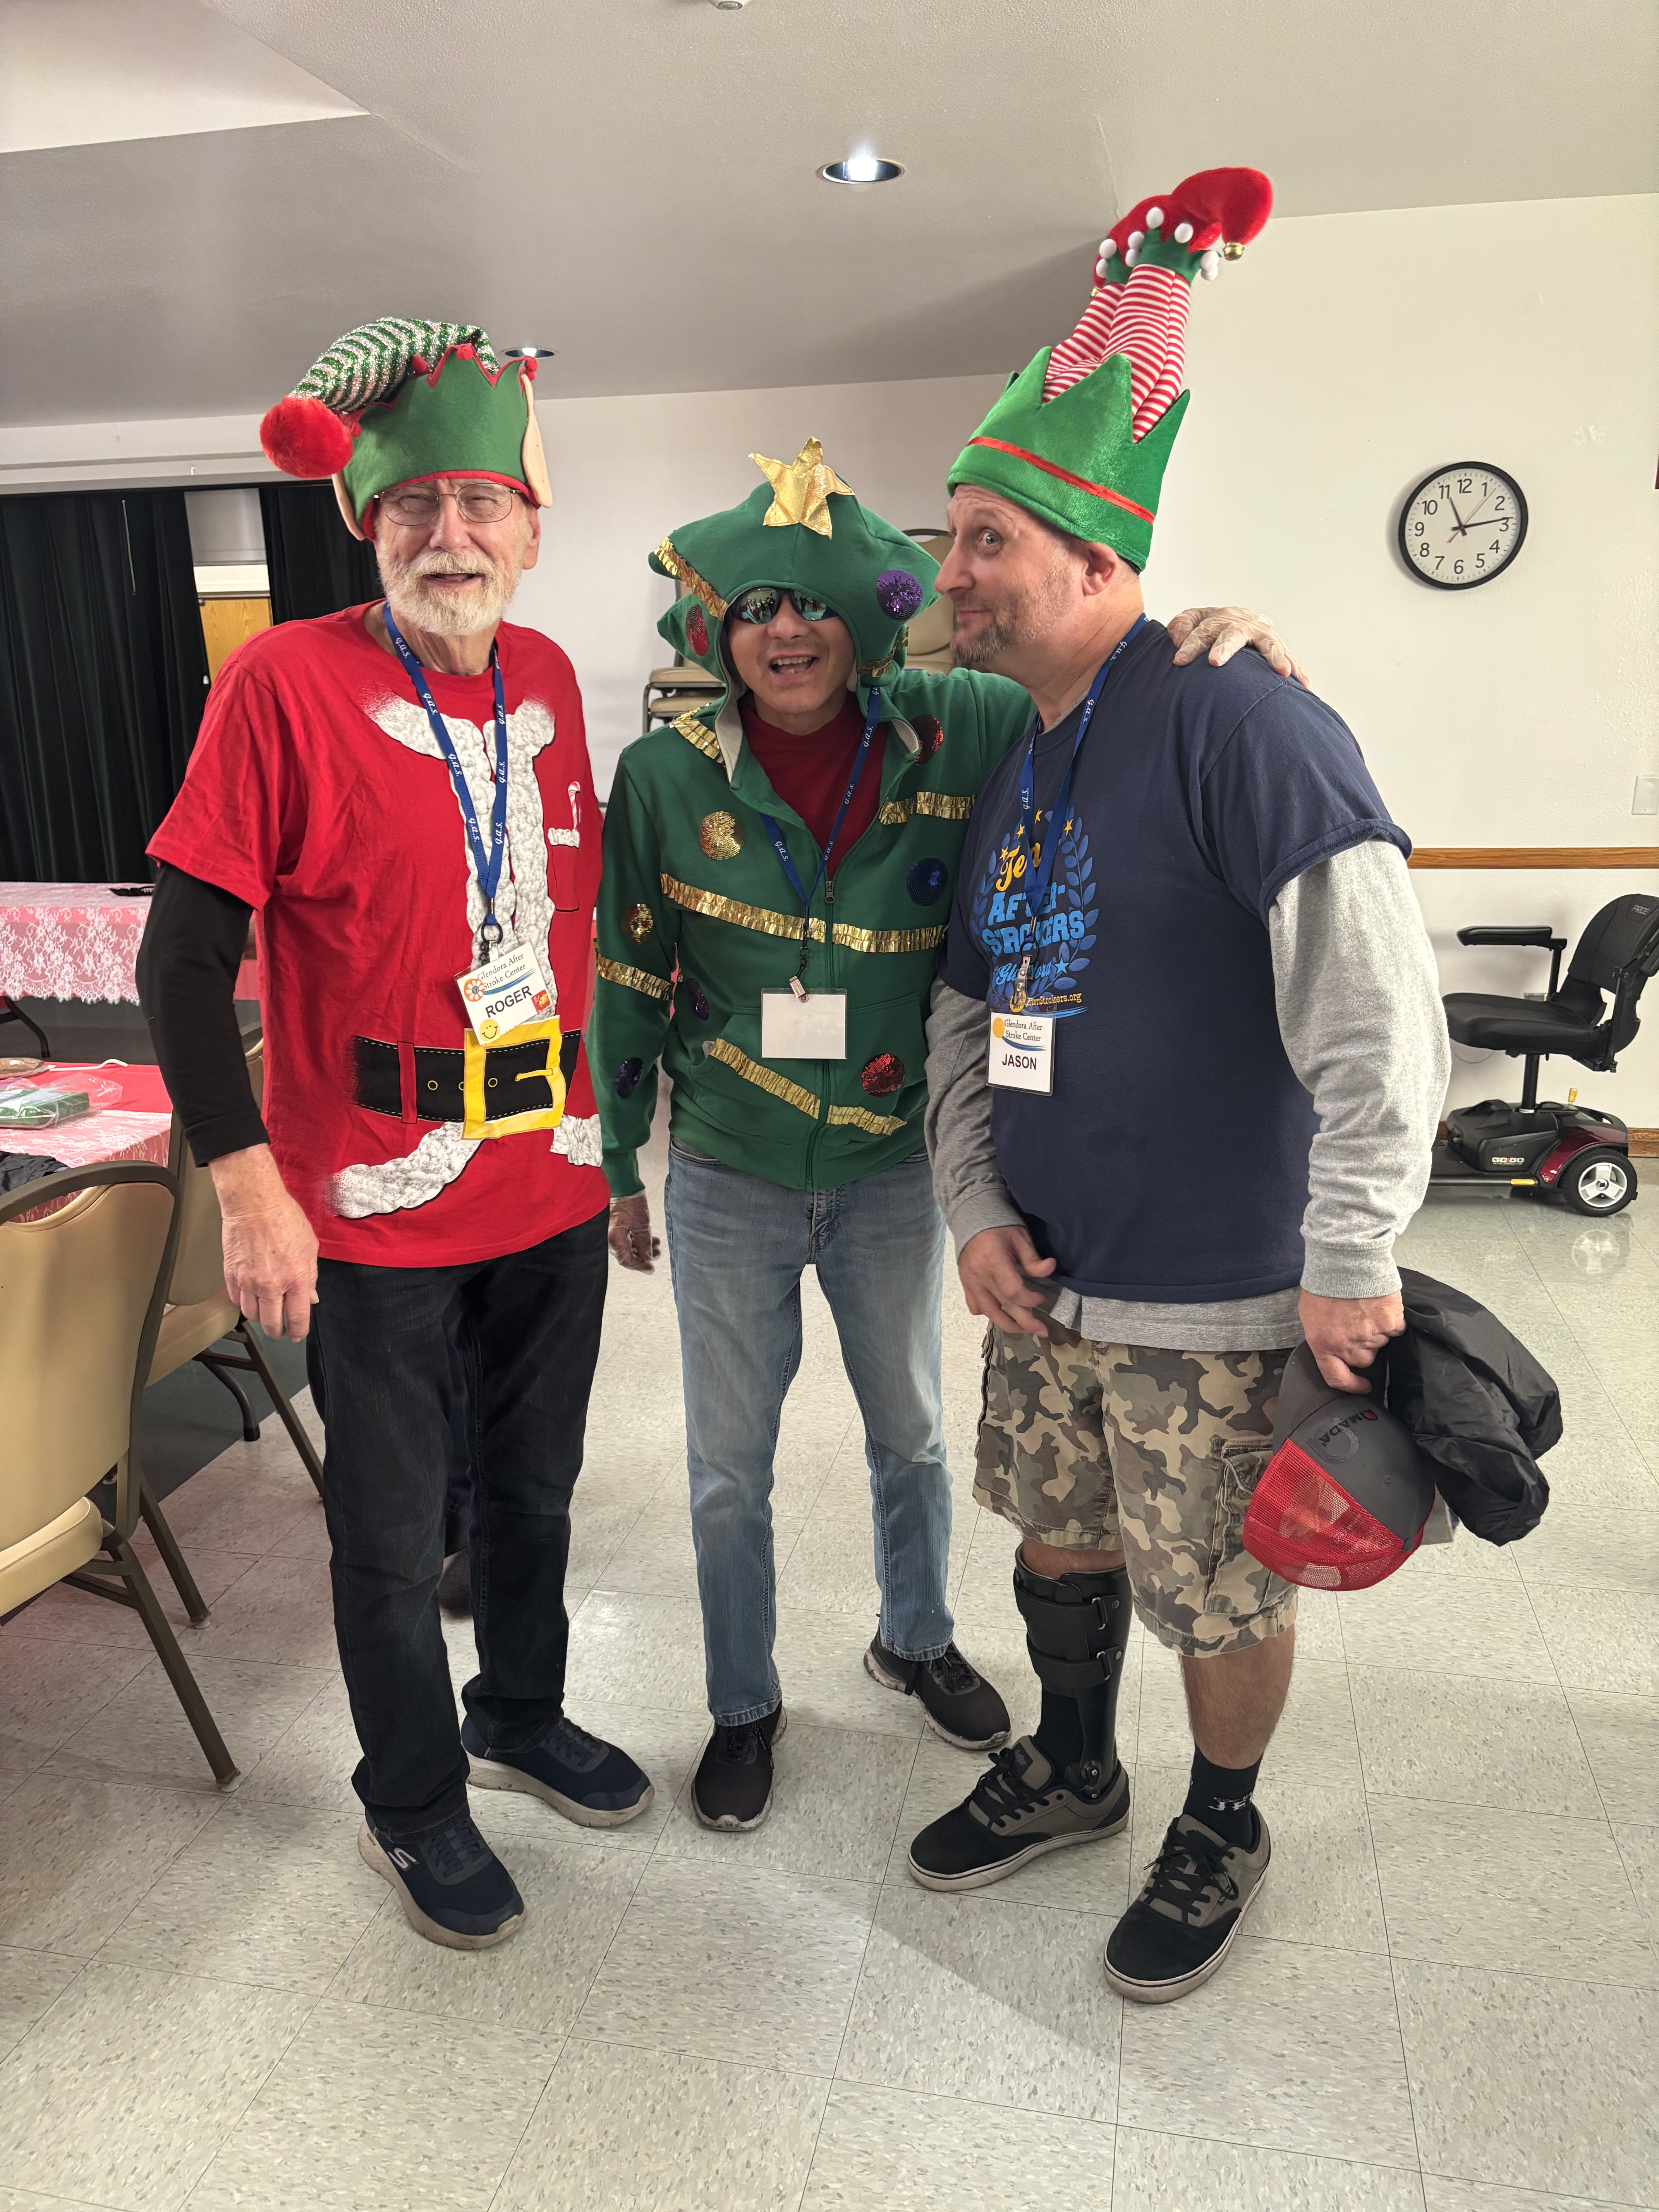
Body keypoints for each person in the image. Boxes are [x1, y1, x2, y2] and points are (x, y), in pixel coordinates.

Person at [906, 169, 1450, 2003]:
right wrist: (975, 1209)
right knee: (1062, 1540)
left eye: (986, 539)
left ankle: (1224, 1811)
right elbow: (969, 1014)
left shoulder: (1240, 715)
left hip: (1225, 1282)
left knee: (1217, 1580)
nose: (952, 571)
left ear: (1099, 559)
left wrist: (1358, 1249)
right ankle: (1073, 1763)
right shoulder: (1019, 754)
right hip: (1052, 1273)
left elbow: (1381, 1004)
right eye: (953, 536)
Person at [594, 430, 1304, 1831]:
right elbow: (623, 977)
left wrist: (1219, 633)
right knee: (728, 1461)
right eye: (753, 609)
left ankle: (912, 1640)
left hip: (891, 1170)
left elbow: (1095, 677)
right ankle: (744, 1702)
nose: (784, 631)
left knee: (910, 1435)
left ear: (861, 618)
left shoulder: (961, 721)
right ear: (718, 631)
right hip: (730, 1167)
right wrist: (622, 1166)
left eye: (808, 604)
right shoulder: (662, 775)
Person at [137, 319, 650, 1952]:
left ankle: (519, 1708)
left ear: (528, 525)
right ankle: (414, 1801)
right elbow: (183, 955)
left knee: (537, 1490)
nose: (451, 534)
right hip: (366, 1204)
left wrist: (614, 1149)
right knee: (384, 1528)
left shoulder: (556, 677)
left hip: (549, 1180)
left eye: (481, 503)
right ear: (367, 522)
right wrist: (249, 1191)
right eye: (414, 503)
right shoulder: (282, 682)